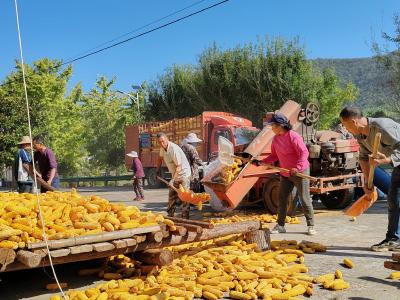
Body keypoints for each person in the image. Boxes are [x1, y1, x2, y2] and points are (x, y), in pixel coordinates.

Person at [340, 106, 400, 252]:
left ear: (354, 121)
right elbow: (363, 158)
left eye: (345, 125)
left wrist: (387, 159)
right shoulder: (360, 135)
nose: (345, 129)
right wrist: (368, 182)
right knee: (394, 200)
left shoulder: (383, 127)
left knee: (395, 199)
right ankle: (393, 239)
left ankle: (394, 238)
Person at [254, 112, 316, 235]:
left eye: (273, 126)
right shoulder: (276, 139)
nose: (271, 128)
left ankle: (311, 226)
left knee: (304, 198)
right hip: (285, 173)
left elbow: (304, 153)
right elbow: (274, 155)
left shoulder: (294, 136)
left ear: (280, 125)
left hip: (299, 171)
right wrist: (262, 162)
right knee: (282, 198)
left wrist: (297, 168)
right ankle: (280, 225)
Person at [156, 132, 191, 219]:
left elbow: (179, 167)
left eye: (163, 141)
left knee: (184, 196)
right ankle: (170, 214)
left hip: (184, 174)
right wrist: (157, 170)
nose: (162, 143)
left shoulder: (173, 149)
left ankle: (185, 217)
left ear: (167, 139)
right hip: (175, 175)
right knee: (171, 195)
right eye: (159, 142)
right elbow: (160, 159)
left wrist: (172, 180)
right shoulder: (162, 148)